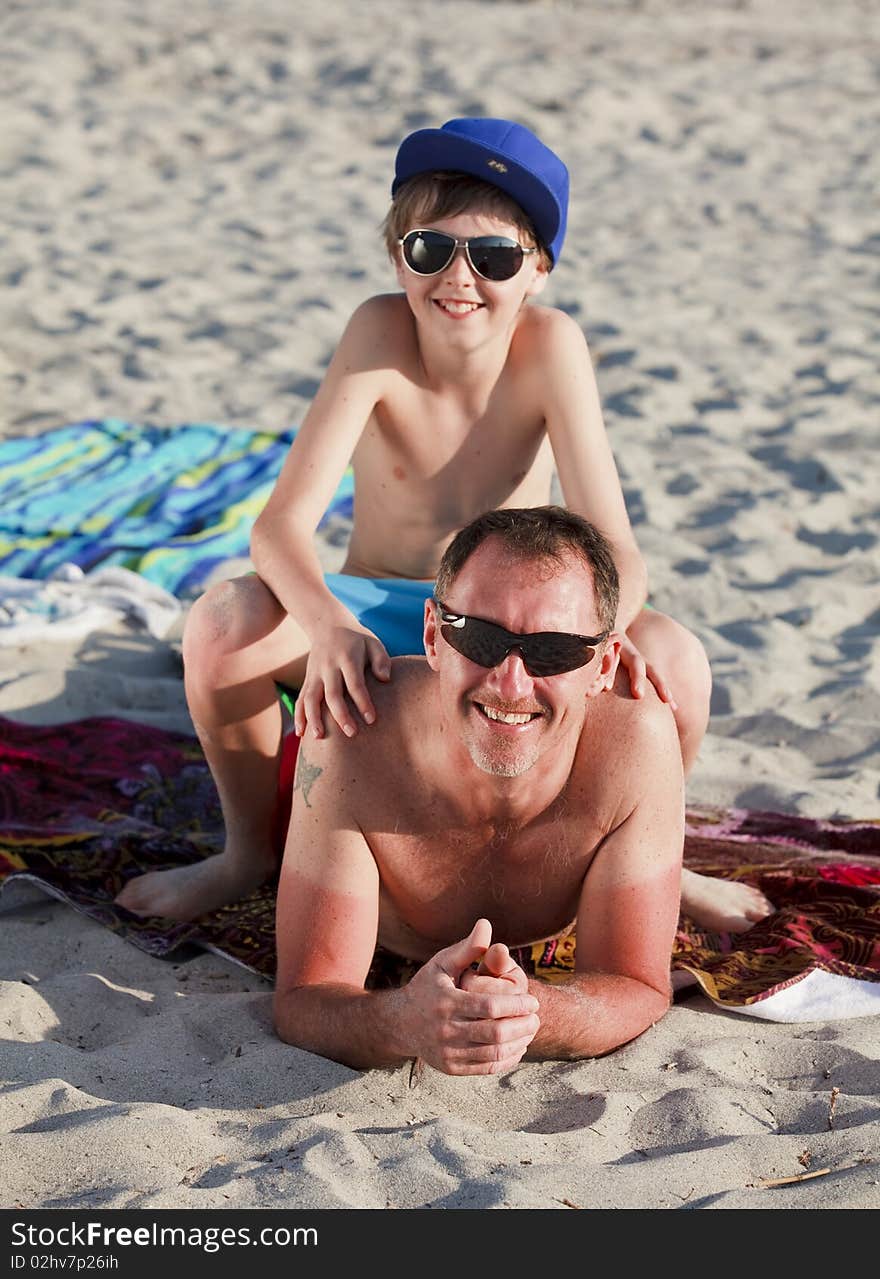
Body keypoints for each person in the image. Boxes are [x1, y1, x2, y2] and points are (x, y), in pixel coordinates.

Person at [116, 117, 770, 934]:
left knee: (679, 663)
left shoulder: (551, 346)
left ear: (536, 271)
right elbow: (279, 528)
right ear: (399, 255)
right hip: (382, 613)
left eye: (492, 257)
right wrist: (327, 625)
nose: (460, 277)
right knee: (220, 626)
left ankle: (654, 865)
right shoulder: (378, 331)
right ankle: (249, 852)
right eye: (432, 250)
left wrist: (604, 630)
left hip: (508, 622)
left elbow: (615, 545)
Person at [274, 507, 685, 1072]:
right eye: (481, 639)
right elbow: (303, 1000)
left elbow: (638, 983)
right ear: (432, 636)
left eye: (553, 651)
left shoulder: (636, 740)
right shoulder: (355, 735)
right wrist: (403, 1022)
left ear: (603, 665)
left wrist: (527, 1011)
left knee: (684, 657)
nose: (511, 683)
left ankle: (675, 870)